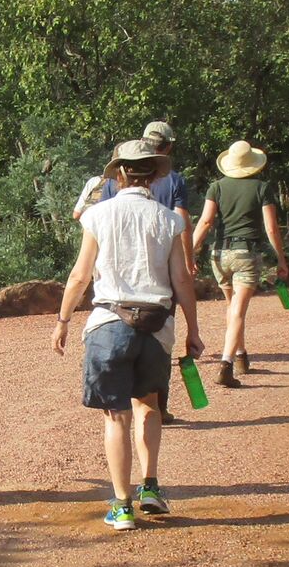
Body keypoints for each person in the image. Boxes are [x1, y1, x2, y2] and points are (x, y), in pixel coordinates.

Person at [52, 139, 204, 532]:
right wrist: (193, 329)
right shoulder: (170, 220)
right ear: (155, 175)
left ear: (119, 173)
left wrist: (63, 319)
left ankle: (121, 506)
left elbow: (79, 275)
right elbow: (182, 278)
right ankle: (150, 488)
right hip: (156, 329)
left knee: (115, 415)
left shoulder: (98, 216)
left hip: (108, 325)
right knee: (148, 406)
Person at [189, 139, 289, 388]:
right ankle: (226, 364)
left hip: (219, 255)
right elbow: (270, 227)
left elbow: (205, 222)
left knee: (232, 308)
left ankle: (242, 356)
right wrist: (281, 259)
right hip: (246, 255)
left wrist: (189, 252)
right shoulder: (262, 188)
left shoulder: (216, 187)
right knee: (239, 311)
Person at [141, 120, 194, 424]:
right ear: (169, 147)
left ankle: (128, 404)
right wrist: (187, 261)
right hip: (164, 265)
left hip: (125, 269)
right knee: (161, 334)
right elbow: (182, 224)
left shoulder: (117, 179)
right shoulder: (174, 180)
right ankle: (158, 406)